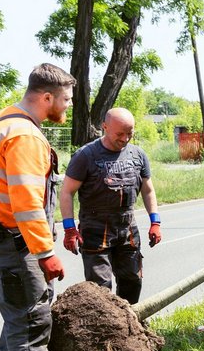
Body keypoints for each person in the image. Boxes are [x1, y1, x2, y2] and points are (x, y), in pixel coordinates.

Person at [0, 63, 74, 351]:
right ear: (47, 97)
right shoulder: (25, 136)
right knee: (32, 316)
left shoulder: (5, 118)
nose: (69, 105)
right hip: (13, 240)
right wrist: (45, 252)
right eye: (65, 99)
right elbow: (26, 201)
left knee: (24, 304)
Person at [59, 107, 161, 305]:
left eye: (130, 133)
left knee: (132, 280)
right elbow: (67, 192)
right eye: (120, 134)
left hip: (127, 228)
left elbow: (148, 190)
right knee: (100, 289)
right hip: (95, 229)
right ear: (105, 127)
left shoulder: (138, 155)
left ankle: (129, 325)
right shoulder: (85, 156)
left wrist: (155, 221)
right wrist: (69, 229)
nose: (125, 139)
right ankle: (105, 332)